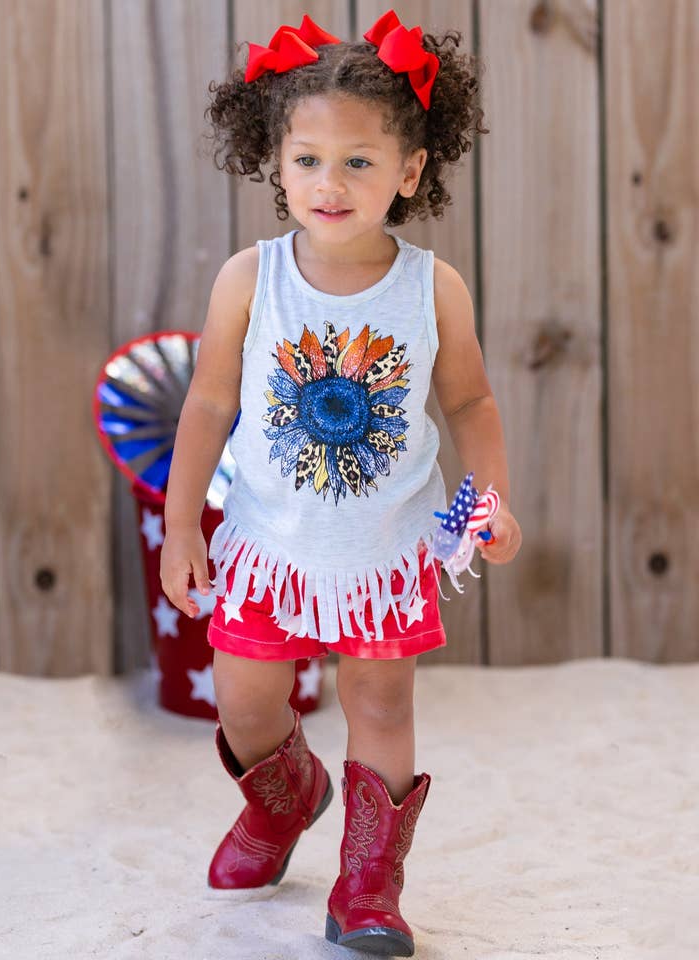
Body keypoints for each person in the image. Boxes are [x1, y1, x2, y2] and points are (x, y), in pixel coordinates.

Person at [160, 10, 522, 957]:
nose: (330, 183)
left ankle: (370, 880)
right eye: (309, 159)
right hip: (266, 545)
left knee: (382, 703)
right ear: (275, 164)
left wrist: (491, 498)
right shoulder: (251, 279)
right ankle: (285, 800)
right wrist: (182, 523)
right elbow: (208, 403)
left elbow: (471, 401)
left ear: (409, 171)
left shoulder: (433, 289)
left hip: (384, 552)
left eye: (359, 162)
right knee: (247, 703)